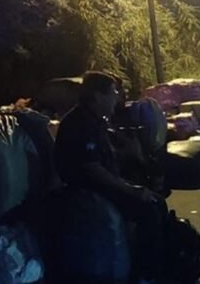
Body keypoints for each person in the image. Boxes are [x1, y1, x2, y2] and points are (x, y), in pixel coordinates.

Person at [54, 71, 166, 283]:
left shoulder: (95, 120)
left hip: (101, 183)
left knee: (156, 199)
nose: (117, 97)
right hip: (88, 190)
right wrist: (131, 189)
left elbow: (107, 157)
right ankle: (146, 275)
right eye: (113, 93)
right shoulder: (80, 123)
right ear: (97, 96)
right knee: (149, 210)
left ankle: (152, 263)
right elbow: (93, 170)